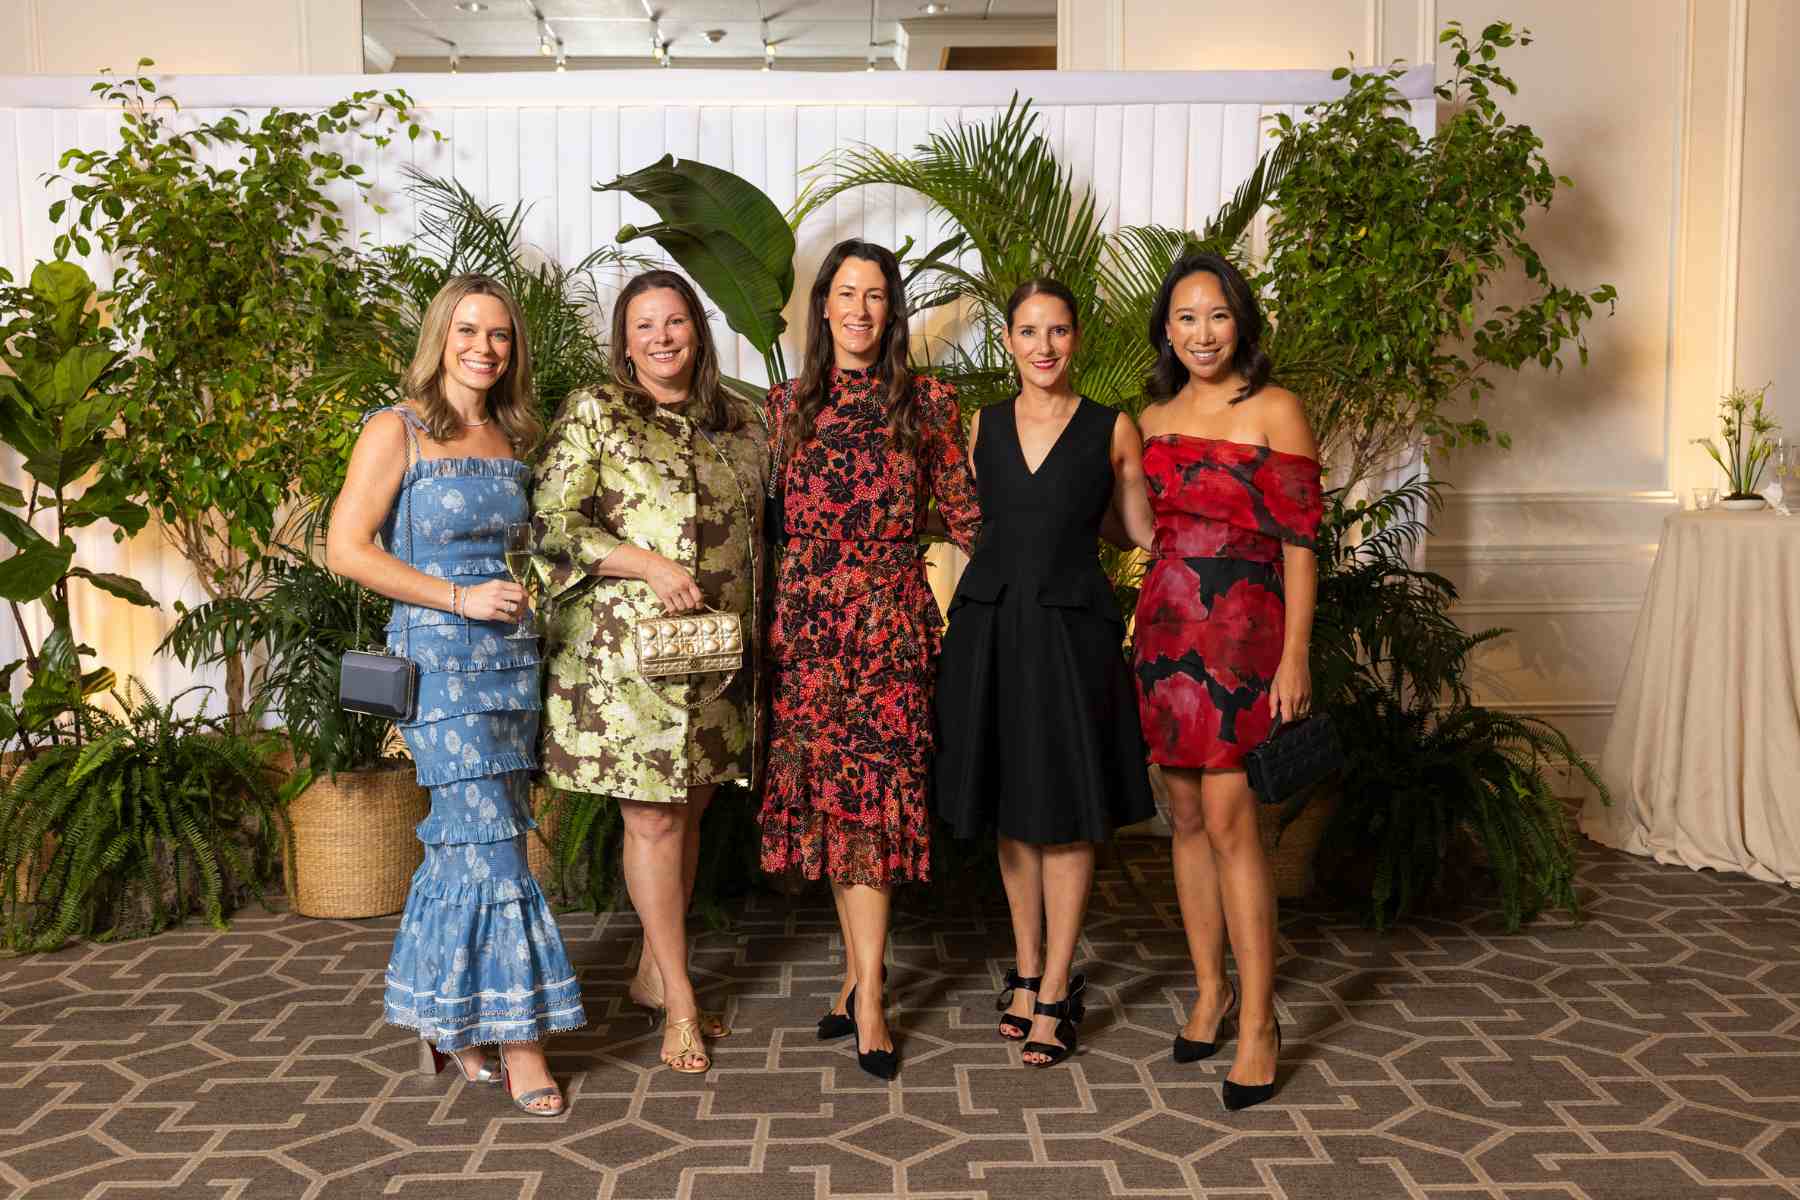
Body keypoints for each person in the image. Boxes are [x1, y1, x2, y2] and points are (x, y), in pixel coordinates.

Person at [327, 273, 584, 1118]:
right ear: (440, 337)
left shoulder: (513, 435)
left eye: (499, 334)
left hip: (511, 662)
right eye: (468, 330)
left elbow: (530, 547)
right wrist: (458, 598)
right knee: (496, 846)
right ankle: (522, 1039)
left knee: (467, 844)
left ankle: (448, 1020)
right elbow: (346, 549)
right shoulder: (395, 429)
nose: (484, 347)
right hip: (439, 665)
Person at [532, 269, 767, 1076]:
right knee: (655, 823)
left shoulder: (740, 423)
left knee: (689, 813)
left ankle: (650, 973)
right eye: (645, 325)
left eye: (676, 322)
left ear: (697, 332)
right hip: (629, 665)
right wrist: (646, 563)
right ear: (624, 342)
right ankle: (684, 1001)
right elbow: (551, 522)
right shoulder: (596, 411)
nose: (663, 337)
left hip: (717, 660)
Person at [759, 239, 981, 1081]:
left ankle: (873, 998)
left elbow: (967, 515)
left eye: (875, 295)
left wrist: (1046, 580)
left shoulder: (929, 404)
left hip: (889, 628)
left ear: (892, 310)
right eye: (846, 293)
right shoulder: (785, 407)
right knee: (834, 801)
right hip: (809, 633)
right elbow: (758, 525)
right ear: (823, 306)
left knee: (872, 807)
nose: (859, 309)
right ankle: (858, 979)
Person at [934, 278, 1156, 1069]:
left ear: (1077, 338)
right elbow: (968, 522)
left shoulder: (1112, 427)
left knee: (1064, 808)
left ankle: (1059, 988)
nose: (1043, 346)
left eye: (1057, 330)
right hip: (992, 628)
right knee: (1010, 805)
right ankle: (1026, 972)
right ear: (1007, 340)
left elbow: (1139, 531)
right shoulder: (981, 424)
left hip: (1070, 634)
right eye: (1028, 331)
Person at [1131, 251, 1322, 1112]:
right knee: (1182, 817)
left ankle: (1259, 1024)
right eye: (1186, 318)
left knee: (1231, 821)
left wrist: (1296, 654)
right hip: (1165, 632)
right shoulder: (1151, 416)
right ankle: (1210, 992)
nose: (1202, 333)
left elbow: (1301, 542)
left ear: (1240, 321)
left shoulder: (1276, 409)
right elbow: (1143, 526)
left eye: (1216, 314)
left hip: (1247, 636)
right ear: (1167, 331)